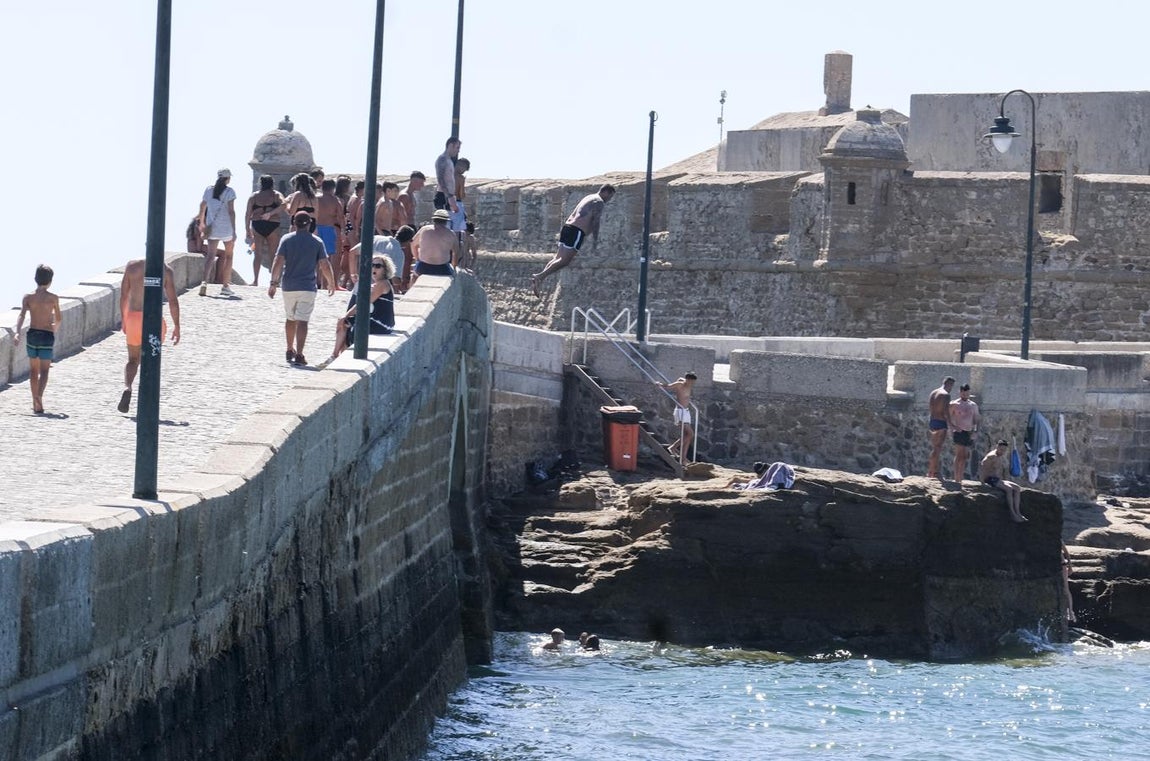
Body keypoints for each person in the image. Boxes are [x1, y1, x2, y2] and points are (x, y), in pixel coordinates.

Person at [268, 210, 335, 367]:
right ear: (310, 224)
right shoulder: (317, 242)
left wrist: (273, 283)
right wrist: (331, 282)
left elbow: (278, 261)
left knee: (290, 318)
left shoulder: (286, 239)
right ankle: (299, 354)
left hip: (289, 286)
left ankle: (289, 349)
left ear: (294, 223)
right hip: (307, 287)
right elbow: (324, 264)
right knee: (303, 321)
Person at [119, 258, 181, 414]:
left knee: (133, 360)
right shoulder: (166, 270)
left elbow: (124, 296)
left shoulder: (132, 266)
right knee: (151, 360)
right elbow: (173, 301)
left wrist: (124, 320)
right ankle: (148, 398)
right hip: (153, 321)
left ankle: (128, 387)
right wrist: (177, 325)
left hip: (133, 318)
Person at [530, 184, 616, 296]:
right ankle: (539, 276)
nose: (609, 199)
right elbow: (596, 221)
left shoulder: (589, 197)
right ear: (606, 192)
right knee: (565, 261)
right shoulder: (599, 201)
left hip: (567, 227)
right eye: (610, 196)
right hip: (576, 231)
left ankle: (540, 278)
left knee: (558, 258)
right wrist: (595, 241)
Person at [319, 253, 395, 368]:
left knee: (345, 323)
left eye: (378, 266)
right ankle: (338, 358)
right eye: (372, 265)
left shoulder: (382, 284)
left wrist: (346, 316)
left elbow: (364, 304)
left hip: (381, 323)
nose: (374, 268)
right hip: (376, 319)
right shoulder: (376, 284)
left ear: (385, 269)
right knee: (346, 325)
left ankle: (334, 356)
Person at [14, 264, 62, 414]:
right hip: (46, 336)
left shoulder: (28, 297)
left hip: (32, 335)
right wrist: (54, 328)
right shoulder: (53, 298)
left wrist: (17, 333)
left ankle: (35, 401)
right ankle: (39, 396)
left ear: (35, 278)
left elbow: (22, 315)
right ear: (50, 281)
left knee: (33, 370)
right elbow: (58, 319)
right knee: (45, 370)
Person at [198, 168, 238, 297]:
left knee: (210, 256)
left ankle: (204, 282)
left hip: (212, 228)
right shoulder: (230, 192)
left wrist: (202, 222)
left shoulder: (209, 190)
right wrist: (234, 230)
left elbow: (202, 206)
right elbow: (231, 212)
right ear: (228, 178)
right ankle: (225, 286)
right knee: (229, 256)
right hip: (226, 229)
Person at [244, 175, 285, 287]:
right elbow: (284, 205)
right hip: (273, 224)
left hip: (257, 224)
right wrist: (271, 213)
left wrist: (247, 229)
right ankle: (274, 282)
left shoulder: (254, 196)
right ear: (272, 183)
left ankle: (255, 281)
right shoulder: (276, 195)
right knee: (273, 254)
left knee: (257, 254)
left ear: (261, 184)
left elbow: (248, 214)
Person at [978, 439, 1026, 523]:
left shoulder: (999, 455)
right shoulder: (991, 456)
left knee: (1017, 488)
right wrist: (982, 482)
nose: (1002, 452)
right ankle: (1012, 513)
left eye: (1004, 450)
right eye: (1001, 449)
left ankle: (1018, 512)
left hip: (997, 479)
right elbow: (982, 466)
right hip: (989, 479)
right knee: (1009, 489)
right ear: (997, 447)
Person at [408, 209, 459, 286]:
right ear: (446, 221)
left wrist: (417, 258)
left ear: (434, 220)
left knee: (413, 277)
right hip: (442, 268)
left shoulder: (424, 230)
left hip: (423, 267)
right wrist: (454, 267)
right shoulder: (451, 234)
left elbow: (413, 244)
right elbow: (456, 253)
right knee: (453, 281)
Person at [656, 371, 697, 463]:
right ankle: (673, 447)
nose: (692, 383)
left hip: (686, 412)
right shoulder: (679, 384)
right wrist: (660, 384)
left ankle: (683, 458)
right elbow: (668, 386)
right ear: (687, 380)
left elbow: (681, 378)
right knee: (690, 434)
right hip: (680, 411)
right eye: (691, 381)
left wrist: (683, 379)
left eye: (693, 382)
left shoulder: (688, 385)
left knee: (687, 436)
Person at [316, 178, 346, 286]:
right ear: (333, 188)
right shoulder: (335, 200)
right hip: (329, 229)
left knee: (316, 256)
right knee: (327, 257)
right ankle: (325, 283)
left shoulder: (316, 199)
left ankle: (317, 281)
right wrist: (343, 231)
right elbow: (341, 217)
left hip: (316, 228)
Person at [949, 383, 979, 481]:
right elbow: (948, 417)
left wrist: (975, 431)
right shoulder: (954, 404)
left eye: (967, 393)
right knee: (959, 454)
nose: (966, 395)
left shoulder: (973, 405)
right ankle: (956, 478)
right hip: (959, 431)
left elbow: (976, 419)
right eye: (964, 393)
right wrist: (953, 427)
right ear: (960, 392)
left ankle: (960, 477)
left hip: (968, 432)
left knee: (965, 456)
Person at [927, 376, 955, 478]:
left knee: (934, 448)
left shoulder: (933, 393)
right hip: (941, 422)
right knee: (938, 448)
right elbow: (946, 412)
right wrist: (951, 425)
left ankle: (931, 471)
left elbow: (930, 408)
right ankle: (935, 472)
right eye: (952, 386)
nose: (951, 388)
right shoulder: (946, 395)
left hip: (933, 421)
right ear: (949, 384)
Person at [434, 137, 461, 213]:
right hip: (443, 196)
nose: (458, 151)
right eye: (457, 147)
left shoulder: (449, 160)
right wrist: (449, 197)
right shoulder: (442, 159)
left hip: (448, 196)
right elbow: (441, 179)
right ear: (451, 145)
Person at [451, 157, 470, 232]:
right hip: (456, 203)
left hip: (446, 202)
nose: (464, 172)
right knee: (457, 229)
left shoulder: (447, 174)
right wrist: (462, 183)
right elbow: (461, 195)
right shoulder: (460, 178)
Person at [1062, 543, 1077, 623]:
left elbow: (1066, 553)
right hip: (1053, 567)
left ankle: (1070, 612)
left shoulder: (1058, 540)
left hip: (1062, 565)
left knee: (1065, 588)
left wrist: (1070, 567)